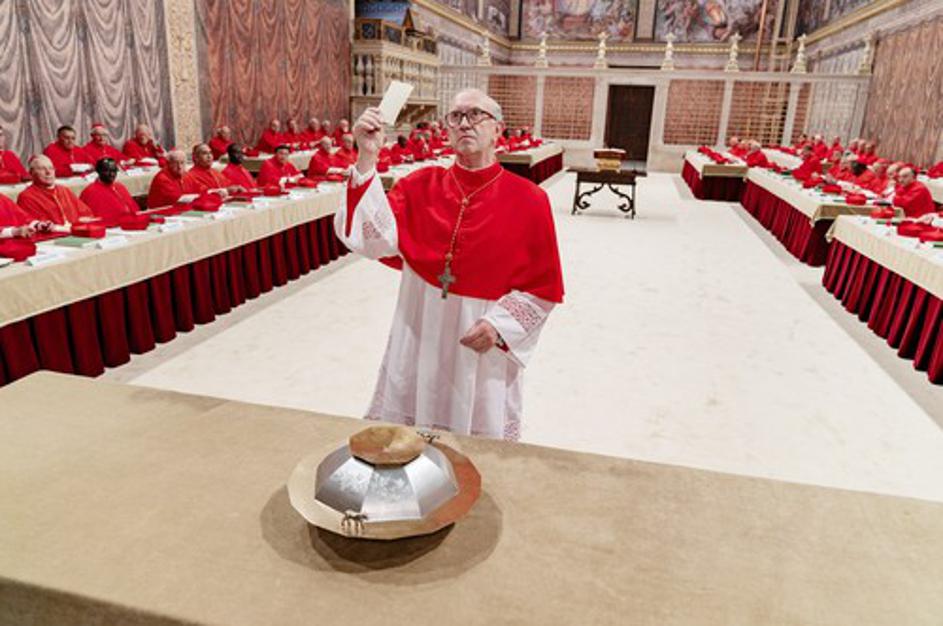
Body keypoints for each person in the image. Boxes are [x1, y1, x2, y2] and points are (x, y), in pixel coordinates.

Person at [335, 88, 564, 441]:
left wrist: (500, 326)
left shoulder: (530, 200)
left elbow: (542, 287)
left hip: (480, 341)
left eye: (475, 115)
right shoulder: (418, 186)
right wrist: (367, 156)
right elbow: (370, 239)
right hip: (419, 328)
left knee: (476, 443)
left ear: (498, 130)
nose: (464, 123)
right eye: (456, 116)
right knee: (407, 439)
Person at [17, 155, 93, 225]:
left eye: (51, 168)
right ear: (31, 173)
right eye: (42, 169)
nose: (48, 172)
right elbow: (38, 226)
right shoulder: (27, 197)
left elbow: (86, 213)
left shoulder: (64, 190)